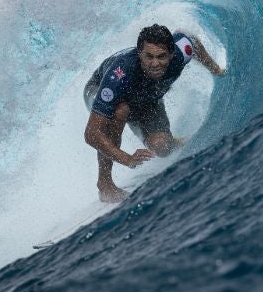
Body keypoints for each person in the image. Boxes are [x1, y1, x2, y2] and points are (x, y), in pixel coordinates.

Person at [83, 24, 225, 203]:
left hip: (146, 100)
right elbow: (91, 134)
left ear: (172, 54)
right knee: (120, 111)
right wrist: (127, 159)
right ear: (139, 53)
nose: (155, 63)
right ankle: (105, 185)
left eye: (161, 56)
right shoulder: (119, 75)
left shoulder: (181, 53)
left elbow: (192, 43)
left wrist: (217, 70)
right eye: (148, 56)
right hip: (99, 91)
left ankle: (175, 141)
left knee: (163, 147)